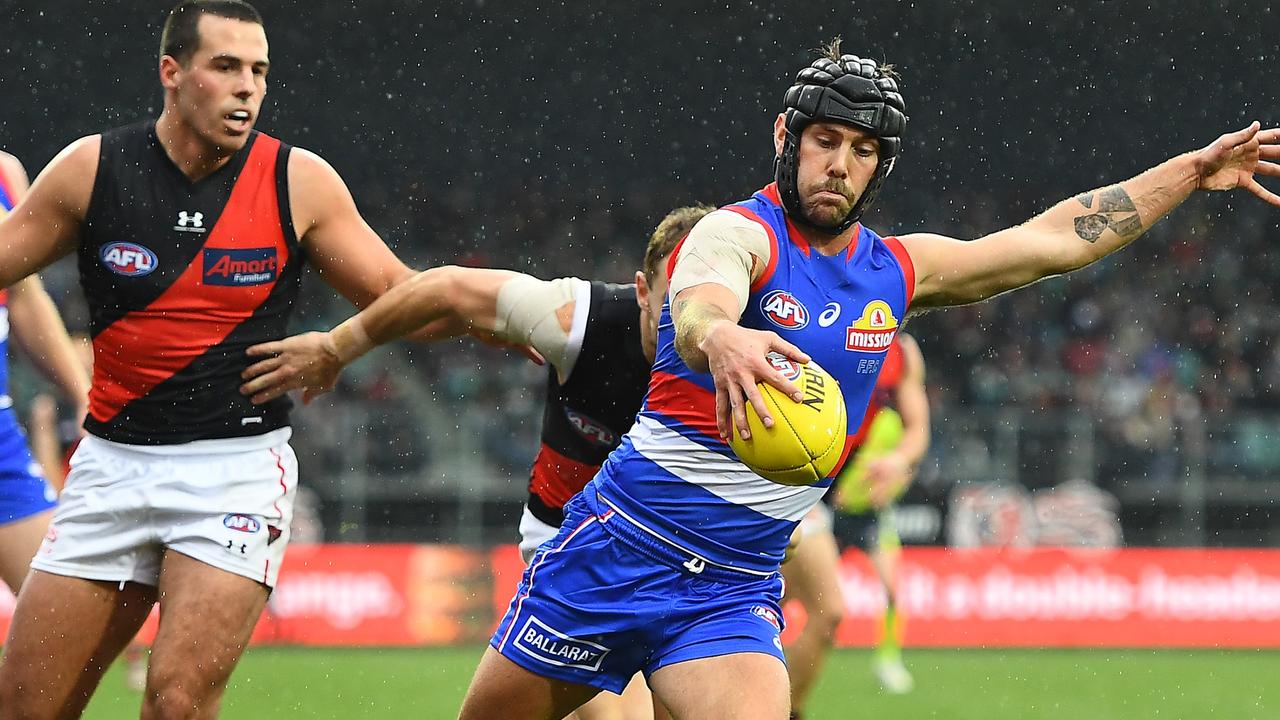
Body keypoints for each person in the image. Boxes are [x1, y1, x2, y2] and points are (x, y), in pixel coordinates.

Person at [445, 39, 1274, 720]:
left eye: (864, 149)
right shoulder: (738, 234)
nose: (841, 164)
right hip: (616, 554)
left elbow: (1057, 240)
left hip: (732, 588)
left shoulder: (898, 272)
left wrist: (1189, 176)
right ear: (786, 137)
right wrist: (721, 338)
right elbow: (701, 308)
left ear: (880, 168)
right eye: (827, 140)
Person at [0, 2, 421, 716]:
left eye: (258, 70)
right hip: (109, 467)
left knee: (177, 703)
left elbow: (403, 293)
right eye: (226, 67)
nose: (247, 87)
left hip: (232, 472)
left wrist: (342, 344)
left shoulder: (299, 179)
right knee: (25, 705)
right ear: (172, 73)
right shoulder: (91, 168)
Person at [239, 205, 716, 720]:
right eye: (675, 296)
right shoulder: (578, 321)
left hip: (689, 552)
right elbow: (446, 288)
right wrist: (336, 347)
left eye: (706, 298)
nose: (690, 319)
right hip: (572, 546)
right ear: (644, 291)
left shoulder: (752, 354)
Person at [782, 332, 928, 717]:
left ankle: (786, 709)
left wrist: (899, 461)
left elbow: (917, 430)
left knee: (828, 610)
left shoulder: (904, 352)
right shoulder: (816, 324)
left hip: (844, 495)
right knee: (766, 603)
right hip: (792, 482)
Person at [0, 151, 91, 596]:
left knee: (56, 619)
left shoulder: (5, 172)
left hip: (2, 443)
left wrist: (83, 394)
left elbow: (23, 295)